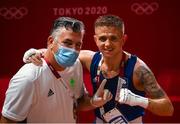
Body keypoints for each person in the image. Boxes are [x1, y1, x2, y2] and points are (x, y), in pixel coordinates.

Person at [22, 15, 174, 123]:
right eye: (102, 38)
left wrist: (138, 100)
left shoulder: (138, 69)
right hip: (99, 121)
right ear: (95, 39)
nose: (107, 44)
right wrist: (36, 51)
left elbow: (168, 109)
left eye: (113, 38)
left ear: (123, 39)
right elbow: (58, 52)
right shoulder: (89, 58)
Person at [0, 16, 112, 123]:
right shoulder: (29, 77)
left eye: (78, 45)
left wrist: (93, 102)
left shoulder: (76, 65)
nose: (73, 50)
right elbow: (8, 120)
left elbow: (78, 102)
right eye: (67, 43)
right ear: (51, 41)